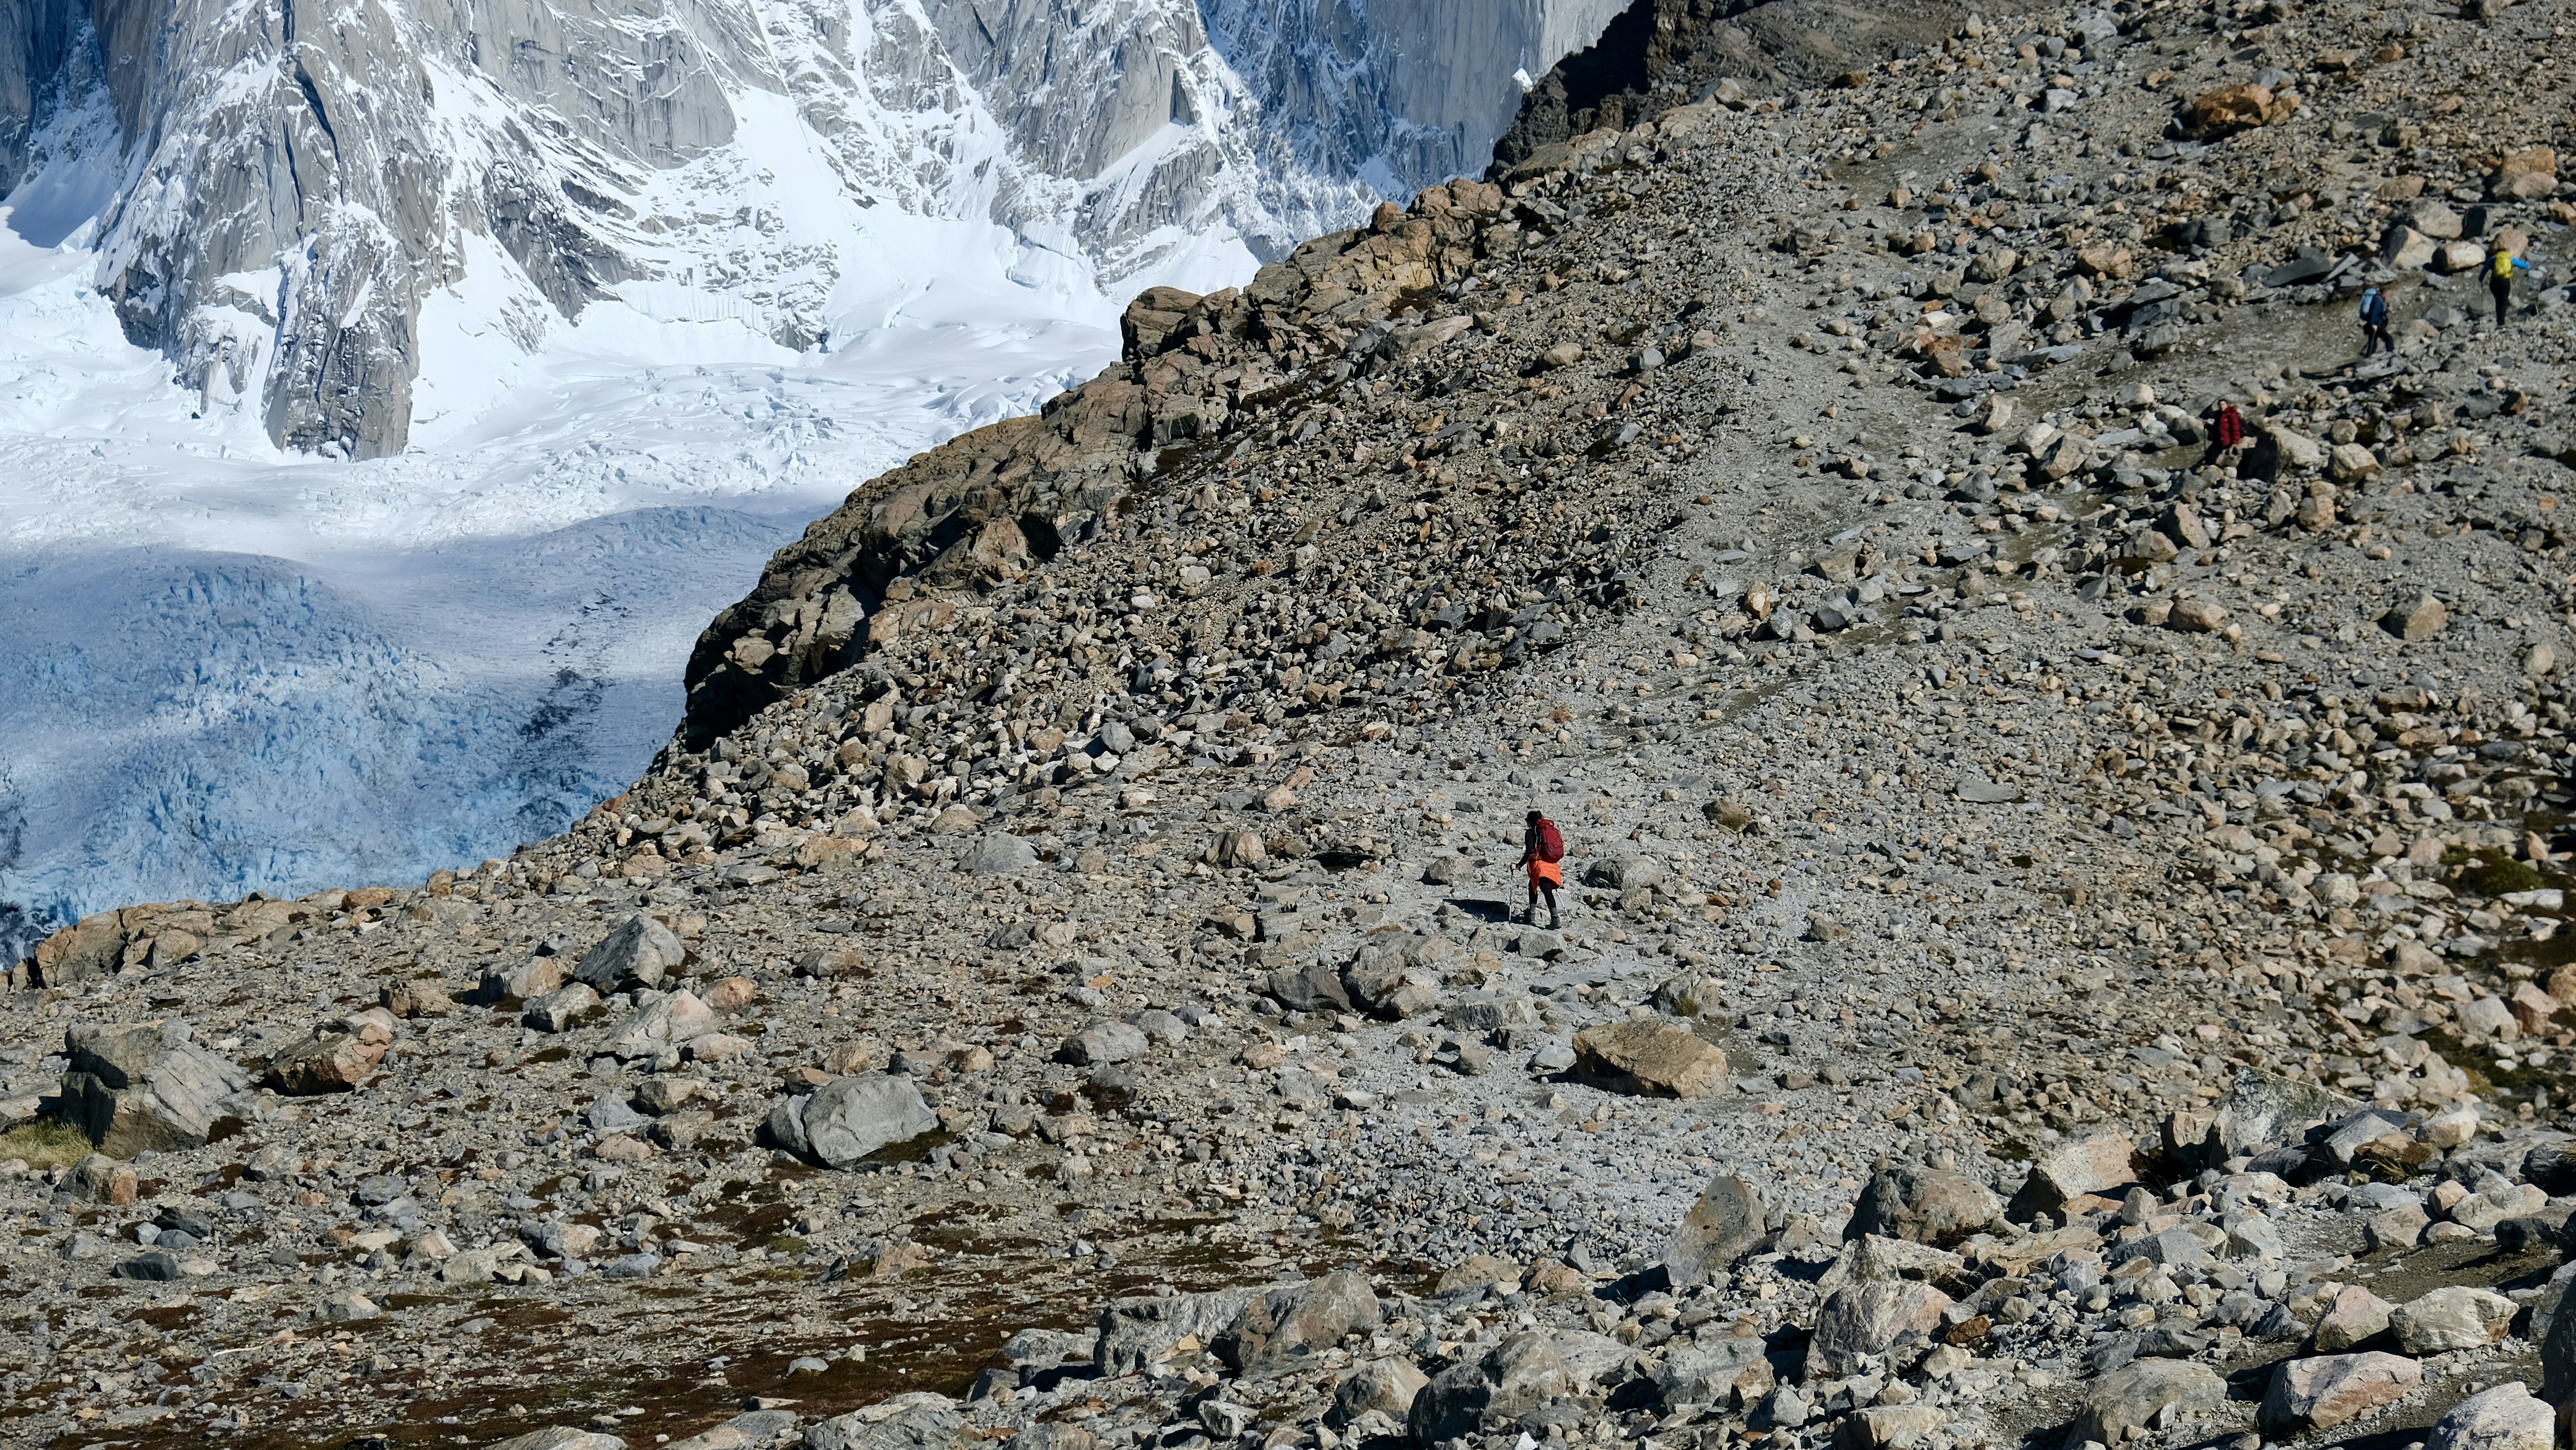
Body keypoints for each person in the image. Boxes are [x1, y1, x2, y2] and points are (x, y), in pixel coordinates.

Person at [1519, 810, 1564, 928]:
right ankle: (1533, 916)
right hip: (1551, 863)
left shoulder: (1531, 832)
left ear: (1530, 822)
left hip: (1539, 865)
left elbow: (1528, 852)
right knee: (1534, 887)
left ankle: (1554, 920)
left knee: (1544, 889)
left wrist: (1518, 866)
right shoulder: (1547, 830)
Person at [2491, 245, 2531, 326]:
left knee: (2498, 301)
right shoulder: (2510, 259)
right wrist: (2528, 264)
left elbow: (2484, 269)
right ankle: (2501, 322)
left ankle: (2499, 319)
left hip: (2494, 282)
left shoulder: (2494, 259)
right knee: (2504, 301)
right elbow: (2524, 266)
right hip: (2505, 282)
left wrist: (2481, 279)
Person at [2358, 285, 2390, 355]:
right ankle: (2391, 354)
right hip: (2376, 324)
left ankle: (2370, 355)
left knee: (2373, 341)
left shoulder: (2378, 299)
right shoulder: (2378, 300)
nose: (2389, 296)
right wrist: (2373, 324)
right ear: (2384, 293)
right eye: (2388, 294)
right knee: (2389, 339)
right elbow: (2374, 312)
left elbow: (2378, 313)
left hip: (2374, 323)